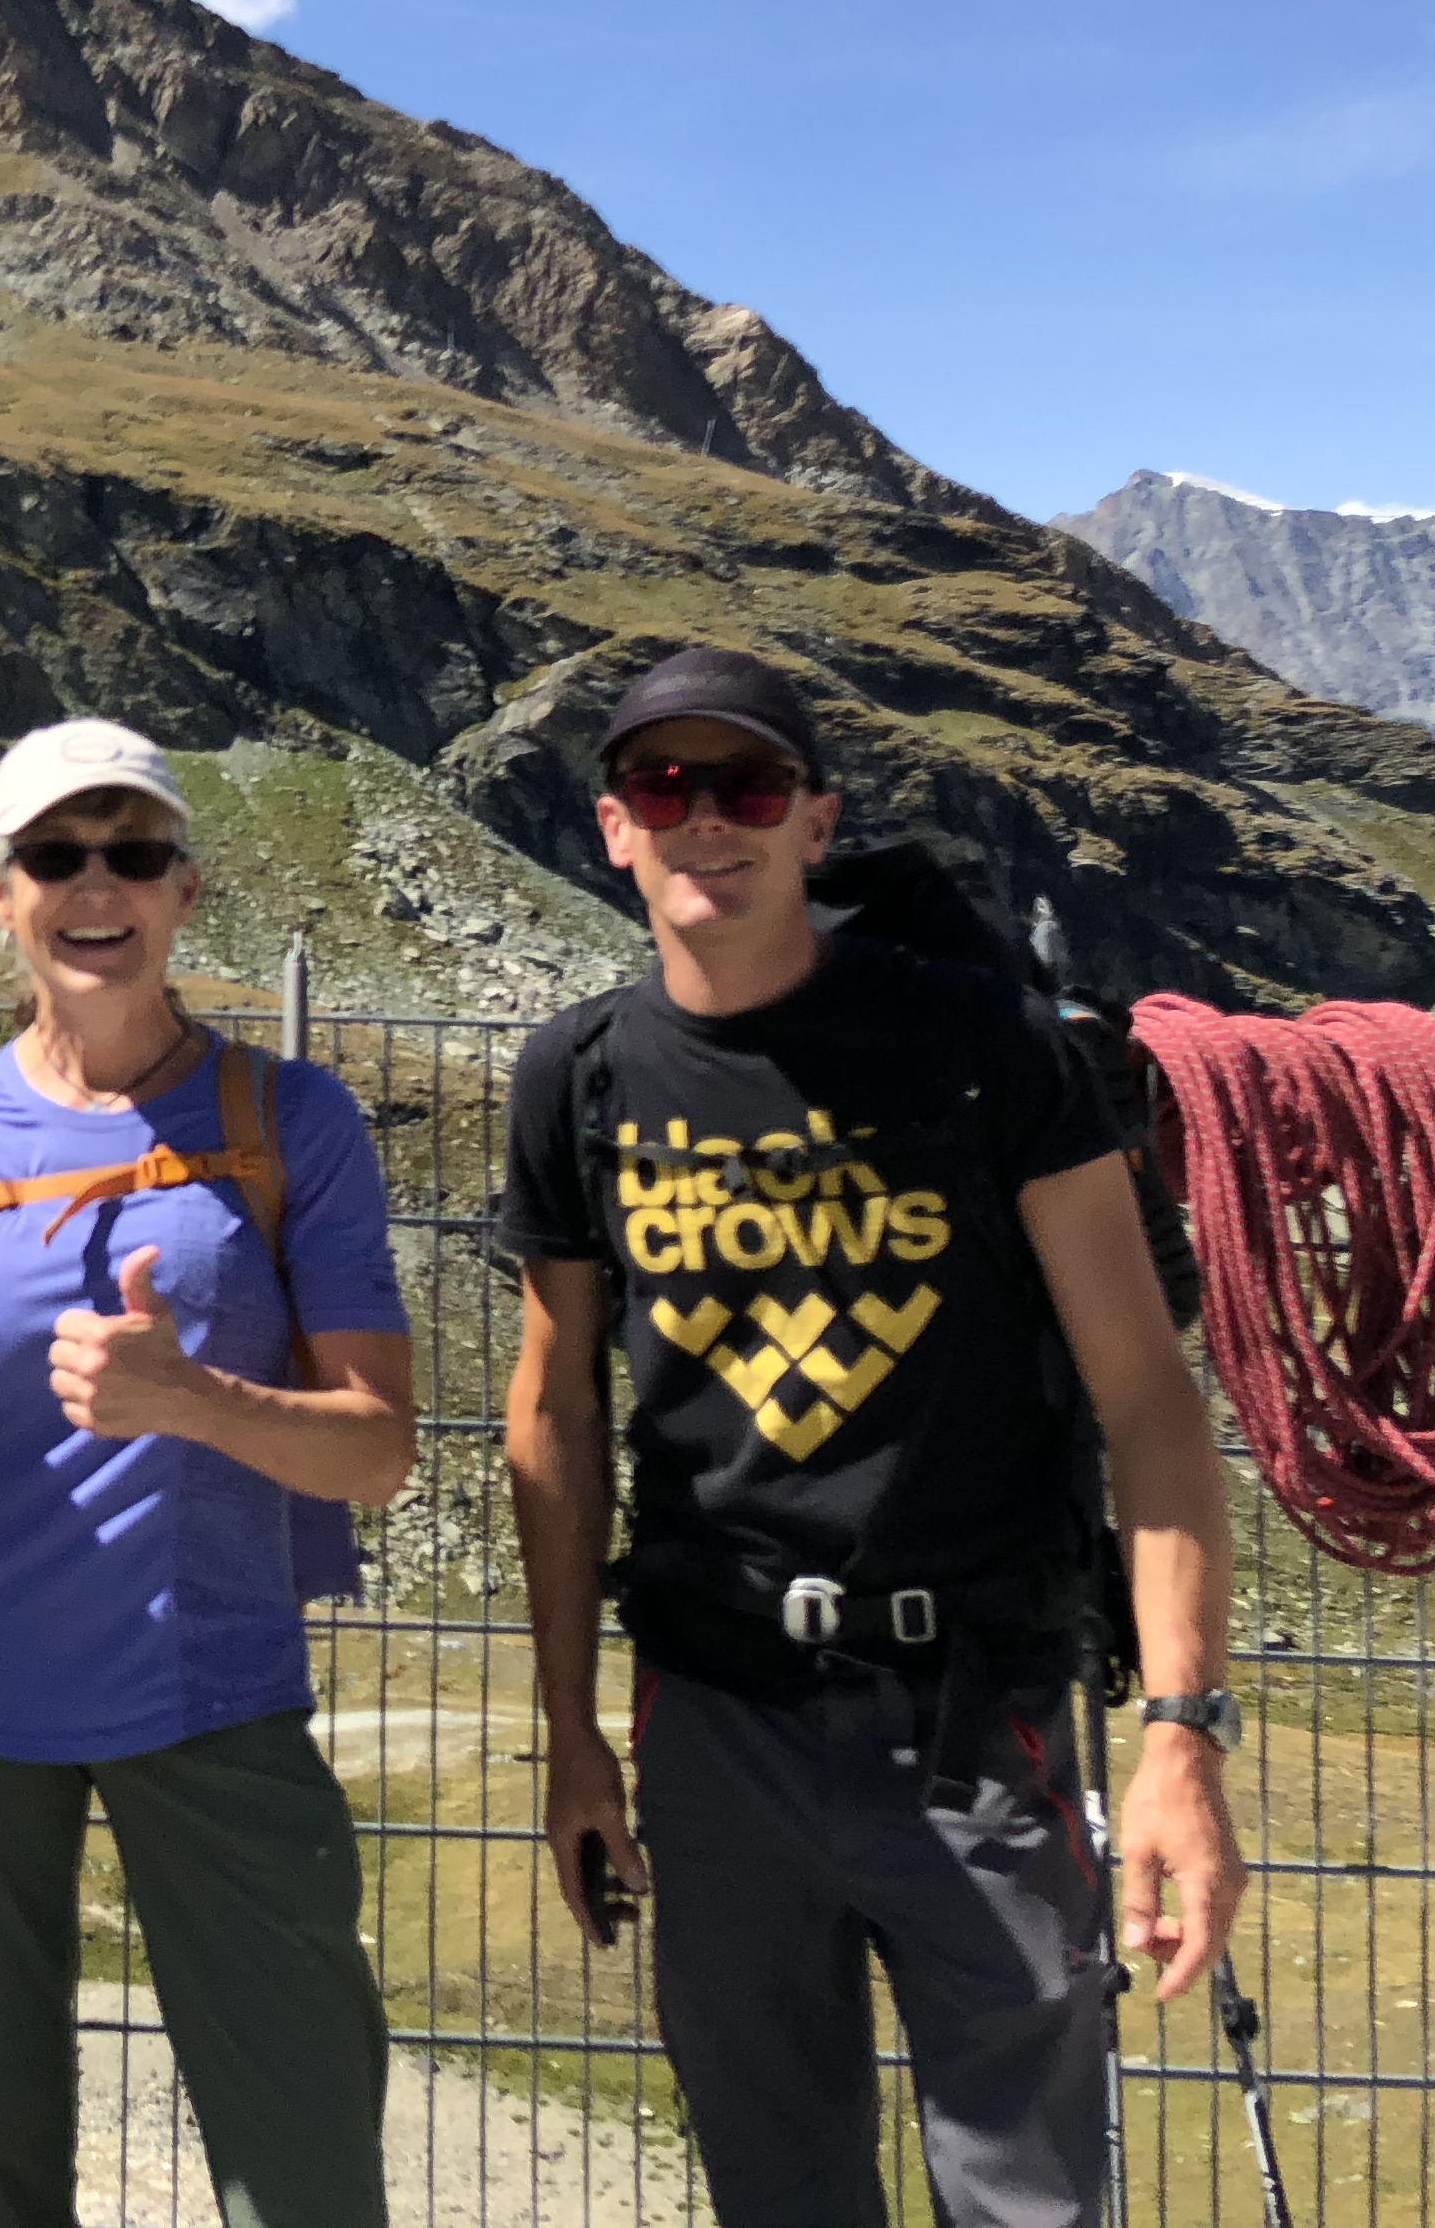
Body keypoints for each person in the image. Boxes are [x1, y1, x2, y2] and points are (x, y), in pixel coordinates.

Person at [498, 646, 1243, 2228]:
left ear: (819, 820)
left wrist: (1182, 1740)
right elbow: (552, 1415)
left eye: (751, 786)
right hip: (713, 1728)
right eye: (664, 787)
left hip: (977, 1714)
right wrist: (570, 1729)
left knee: (1032, 2204)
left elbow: (1149, 1400)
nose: (710, 821)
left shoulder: (983, 1046)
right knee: (775, 2194)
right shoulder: (575, 1078)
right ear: (614, 828)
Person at [0, 719, 418, 2228]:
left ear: (185, 891)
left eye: (133, 853)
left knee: (307, 2172)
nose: (98, 887)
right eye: (56, 856)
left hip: (216, 1701)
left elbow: (382, 1452)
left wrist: (191, 1399)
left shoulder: (292, 1122)